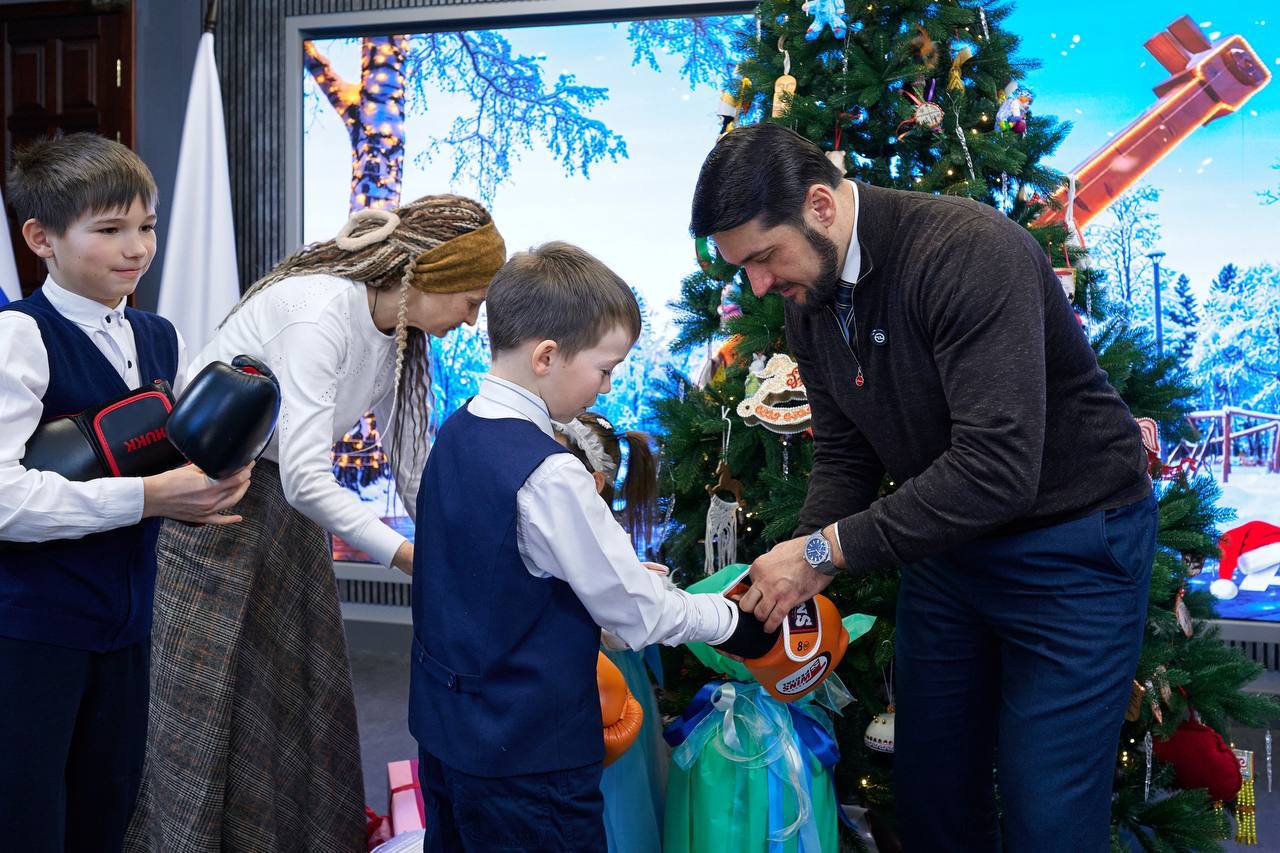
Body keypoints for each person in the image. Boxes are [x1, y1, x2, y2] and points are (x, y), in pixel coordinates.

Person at [690, 123, 1157, 852]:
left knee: (1049, 816)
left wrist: (821, 551)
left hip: (1073, 550)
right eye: (741, 267)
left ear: (820, 205)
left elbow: (997, 469)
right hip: (948, 556)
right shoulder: (807, 296)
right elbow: (847, 453)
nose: (758, 284)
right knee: (932, 796)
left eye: (762, 257)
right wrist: (792, 561)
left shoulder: (968, 252)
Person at [125, 195, 505, 853]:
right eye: (470, 299)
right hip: (213, 504)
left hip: (282, 511)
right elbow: (305, 477)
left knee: (299, 695)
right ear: (426, 277)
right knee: (207, 706)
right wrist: (408, 558)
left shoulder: (400, 334)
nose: (471, 319)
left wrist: (449, 537)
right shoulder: (320, 310)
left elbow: (410, 459)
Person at [410, 241, 744, 852]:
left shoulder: (456, 432)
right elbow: (636, 611)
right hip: (530, 758)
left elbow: (488, 570)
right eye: (605, 367)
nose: (608, 386)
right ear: (547, 356)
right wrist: (729, 617)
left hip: (449, 733)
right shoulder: (550, 472)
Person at [0, 133, 252, 853]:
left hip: (129, 628)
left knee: (105, 817)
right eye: (109, 230)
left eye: (145, 226)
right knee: (26, 826)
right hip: (30, 635)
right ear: (41, 237)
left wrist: (209, 481)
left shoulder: (157, 333)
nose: (135, 247)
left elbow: (161, 462)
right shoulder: (20, 336)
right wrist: (147, 497)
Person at [555, 411, 667, 853]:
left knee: (612, 791)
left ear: (594, 482)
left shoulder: (603, 539)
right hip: (581, 669)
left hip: (604, 681)